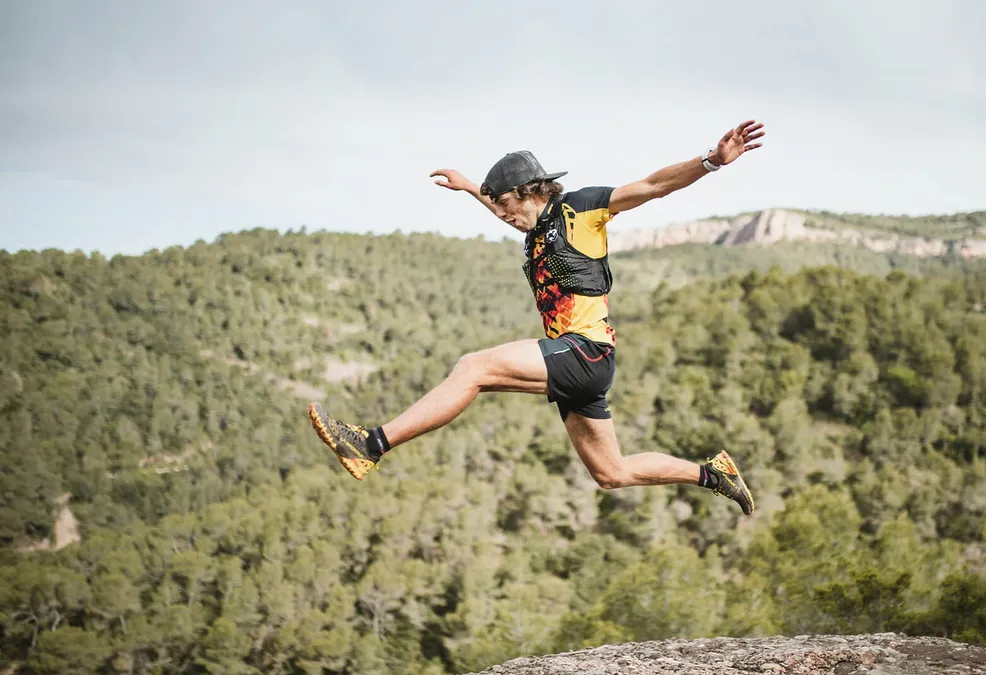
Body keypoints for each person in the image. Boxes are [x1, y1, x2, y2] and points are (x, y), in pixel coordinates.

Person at [308, 119, 765, 515]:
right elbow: (504, 209)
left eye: (504, 204)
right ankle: (714, 475)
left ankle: (370, 445)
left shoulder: (582, 209)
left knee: (474, 367)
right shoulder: (534, 227)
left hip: (584, 351)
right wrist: (471, 188)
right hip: (581, 360)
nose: (502, 215)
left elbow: (650, 186)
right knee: (612, 472)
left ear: (528, 192)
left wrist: (712, 160)